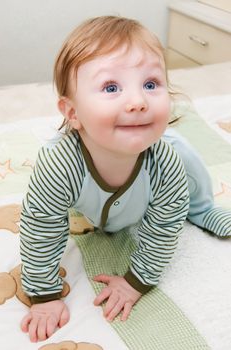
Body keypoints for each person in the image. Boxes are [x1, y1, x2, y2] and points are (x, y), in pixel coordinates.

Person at [19, 16, 231, 342]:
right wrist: (44, 295)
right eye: (111, 87)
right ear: (72, 113)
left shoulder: (166, 162)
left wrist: (136, 281)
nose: (137, 102)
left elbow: (164, 227)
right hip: (90, 203)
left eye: (150, 84)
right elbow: (41, 228)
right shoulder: (57, 165)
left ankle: (203, 210)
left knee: (186, 153)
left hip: (165, 184)